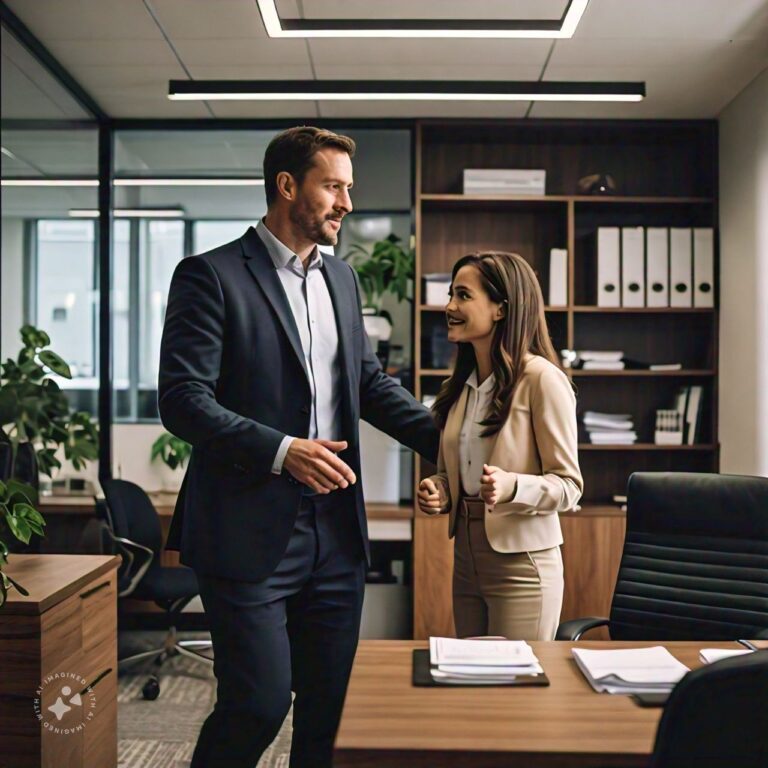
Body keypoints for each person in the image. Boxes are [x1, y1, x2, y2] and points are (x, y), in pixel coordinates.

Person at [159, 126, 439, 768]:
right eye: (333, 186)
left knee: (330, 711)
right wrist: (283, 450)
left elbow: (366, 383)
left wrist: (453, 441)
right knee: (257, 704)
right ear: (288, 186)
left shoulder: (340, 279)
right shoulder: (212, 275)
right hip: (248, 528)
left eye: (349, 189)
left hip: (335, 531)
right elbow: (182, 398)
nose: (346, 203)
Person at [417, 251, 582, 640]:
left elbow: (570, 486)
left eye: (463, 295)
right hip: (466, 558)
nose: (450, 306)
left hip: (522, 565)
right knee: (472, 686)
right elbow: (452, 470)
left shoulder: (542, 380)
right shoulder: (456, 388)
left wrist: (512, 487)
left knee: (518, 693)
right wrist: (440, 489)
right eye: (450, 295)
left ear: (500, 309)